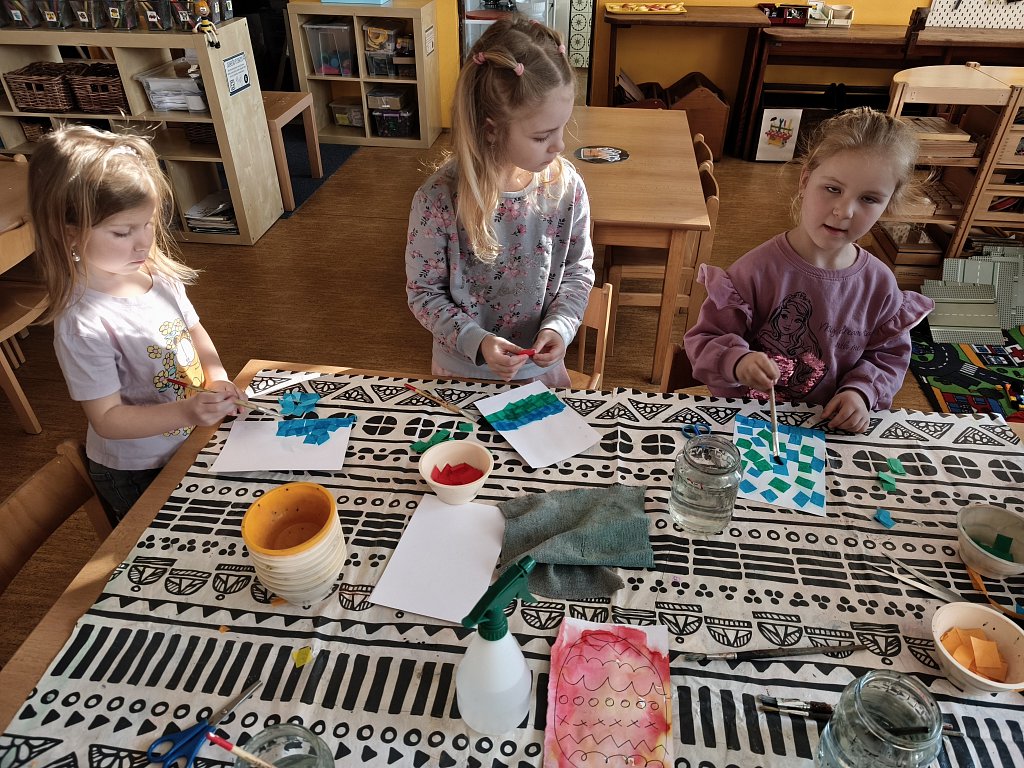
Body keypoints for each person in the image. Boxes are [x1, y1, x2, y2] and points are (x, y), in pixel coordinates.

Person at [29, 125, 243, 524]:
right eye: (122, 232)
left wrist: (217, 377)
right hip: (138, 470)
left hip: (189, 440)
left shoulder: (155, 274)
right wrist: (188, 412)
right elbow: (107, 419)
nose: (143, 242)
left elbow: (194, 331)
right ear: (68, 233)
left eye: (147, 223)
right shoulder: (83, 323)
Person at [684, 107, 934, 433]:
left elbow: (887, 357)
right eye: (833, 189)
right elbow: (705, 341)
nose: (844, 211)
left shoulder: (880, 285)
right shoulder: (755, 271)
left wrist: (862, 392)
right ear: (805, 180)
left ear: (888, 204)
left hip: (827, 431)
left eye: (869, 199)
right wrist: (738, 361)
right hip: (748, 426)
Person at [405, 16, 594, 385]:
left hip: (540, 373)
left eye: (563, 127)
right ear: (491, 129)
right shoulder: (438, 200)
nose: (559, 145)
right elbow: (424, 293)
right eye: (542, 136)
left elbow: (577, 272)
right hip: (463, 373)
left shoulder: (566, 187)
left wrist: (560, 326)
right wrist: (477, 341)